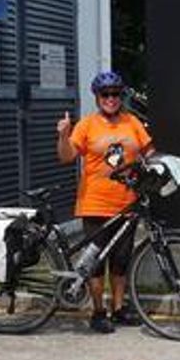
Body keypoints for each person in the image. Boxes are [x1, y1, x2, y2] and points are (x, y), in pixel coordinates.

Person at [56, 70, 153, 334]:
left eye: (115, 94)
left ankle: (119, 308)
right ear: (98, 98)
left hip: (127, 204)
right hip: (95, 203)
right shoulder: (87, 125)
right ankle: (98, 311)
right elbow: (66, 157)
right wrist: (64, 135)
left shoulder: (132, 122)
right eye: (105, 94)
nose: (111, 98)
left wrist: (158, 166)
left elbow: (149, 151)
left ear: (121, 96)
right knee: (96, 263)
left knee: (121, 260)